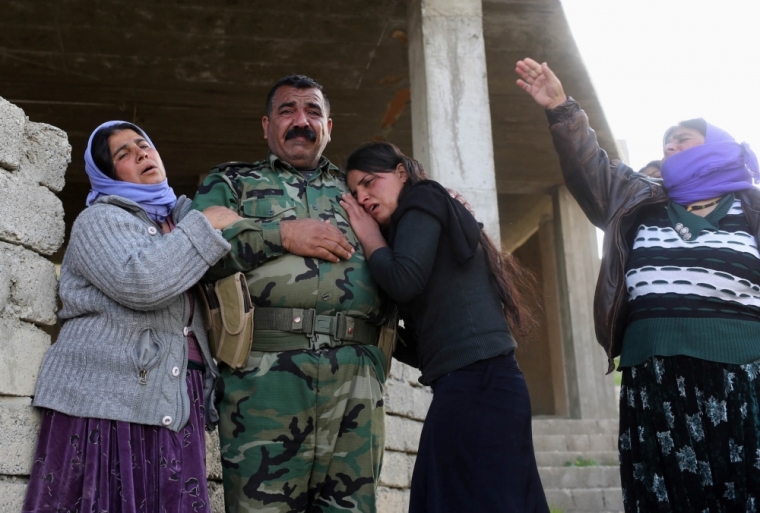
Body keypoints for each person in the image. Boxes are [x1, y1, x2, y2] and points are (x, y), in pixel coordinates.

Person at [516, 57, 760, 511]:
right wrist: (562, 109)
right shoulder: (640, 198)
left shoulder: (753, 209)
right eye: (664, 143)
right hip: (654, 379)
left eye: (682, 139)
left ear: (718, 147)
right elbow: (592, 167)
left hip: (740, 379)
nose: (669, 147)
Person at [191, 75, 386, 513]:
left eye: (313, 111)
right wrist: (282, 234)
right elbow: (197, 250)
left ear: (329, 126)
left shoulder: (358, 190)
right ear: (266, 125)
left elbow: (408, 248)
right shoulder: (231, 182)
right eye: (288, 111)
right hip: (263, 381)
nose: (301, 121)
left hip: (356, 380)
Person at [23, 121, 239, 512]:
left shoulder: (174, 221)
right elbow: (143, 283)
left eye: (144, 145)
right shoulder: (99, 221)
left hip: (174, 398)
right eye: (124, 154)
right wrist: (204, 226)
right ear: (107, 174)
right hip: (107, 404)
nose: (141, 154)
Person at [338, 142, 550, 513]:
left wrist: (367, 233)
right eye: (355, 191)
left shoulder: (424, 199)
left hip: (481, 383)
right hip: (474, 383)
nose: (363, 197)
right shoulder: (417, 225)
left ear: (401, 173)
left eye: (371, 183)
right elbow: (427, 347)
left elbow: (403, 279)